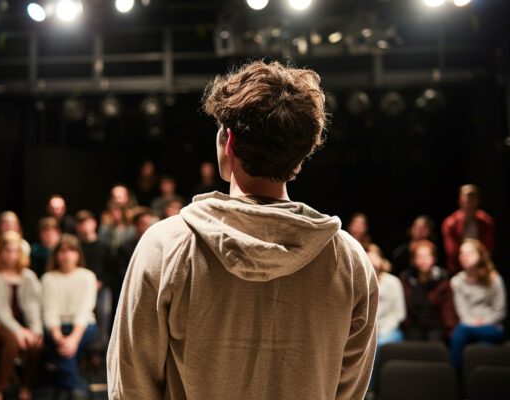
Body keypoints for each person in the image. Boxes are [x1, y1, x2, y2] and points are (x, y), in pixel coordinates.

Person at [107, 60, 378, 399]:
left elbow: (130, 387)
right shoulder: (350, 262)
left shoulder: (167, 246)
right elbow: (348, 392)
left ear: (229, 140)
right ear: (301, 153)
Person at [0, 231, 43, 400]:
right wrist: (19, 331)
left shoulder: (28, 276)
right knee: (11, 340)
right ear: (0, 252)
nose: (11, 255)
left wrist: (35, 330)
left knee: (36, 342)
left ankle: (26, 386)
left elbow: (33, 306)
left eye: (15, 251)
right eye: (7, 250)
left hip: (22, 326)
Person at [42, 234, 97, 399]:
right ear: (56, 255)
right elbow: (49, 311)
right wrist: (58, 336)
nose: (66, 255)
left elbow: (84, 310)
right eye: (62, 251)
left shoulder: (87, 276)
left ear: (78, 254)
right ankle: (77, 388)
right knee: (65, 348)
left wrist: (73, 338)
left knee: (65, 350)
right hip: (56, 327)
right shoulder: (48, 278)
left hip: (83, 326)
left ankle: (67, 383)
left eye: (71, 251)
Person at [450, 239, 506, 369]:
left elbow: (500, 311)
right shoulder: (457, 281)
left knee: (462, 332)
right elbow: (462, 310)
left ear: (480, 255)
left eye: (469, 253)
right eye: (462, 253)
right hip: (467, 325)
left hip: (490, 326)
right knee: (478, 344)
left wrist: (482, 322)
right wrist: (472, 323)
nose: (465, 257)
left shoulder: (494, 279)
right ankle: (457, 377)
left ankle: (453, 374)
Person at [74, 210, 118, 356]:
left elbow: (112, 270)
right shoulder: (76, 247)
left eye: (87, 222)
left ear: (94, 224)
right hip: (80, 288)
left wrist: (101, 282)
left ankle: (100, 353)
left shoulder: (105, 246)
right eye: (81, 223)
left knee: (103, 316)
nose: (84, 227)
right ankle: (85, 352)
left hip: (101, 287)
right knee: (82, 317)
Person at [399, 240, 457, 341]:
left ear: (433, 258)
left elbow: (448, 309)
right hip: (414, 324)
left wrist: (450, 329)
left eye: (427, 256)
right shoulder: (407, 280)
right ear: (413, 260)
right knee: (412, 339)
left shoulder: (442, 280)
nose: (423, 260)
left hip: (436, 324)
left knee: (435, 340)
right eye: (419, 257)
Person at [442, 184, 494, 275]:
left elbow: (488, 248)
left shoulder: (486, 222)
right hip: (457, 269)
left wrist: (477, 263)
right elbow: (452, 252)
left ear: (477, 202)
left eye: (472, 201)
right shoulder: (450, 223)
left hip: (481, 268)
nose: (469, 205)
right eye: (466, 201)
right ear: (460, 202)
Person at [366, 244, 406, 346]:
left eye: (375, 259)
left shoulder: (393, 282)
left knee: (378, 344)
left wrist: (382, 330)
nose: (372, 263)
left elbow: (399, 313)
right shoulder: (360, 284)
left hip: (387, 329)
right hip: (366, 331)